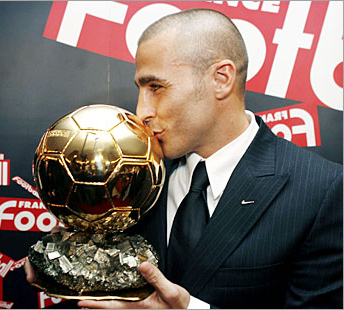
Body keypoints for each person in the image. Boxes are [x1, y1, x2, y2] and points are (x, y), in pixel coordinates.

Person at [25, 8, 343, 309]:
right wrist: (78, 248)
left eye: (156, 87)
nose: (142, 112)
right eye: (141, 88)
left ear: (221, 79)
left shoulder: (323, 191)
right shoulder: (131, 175)